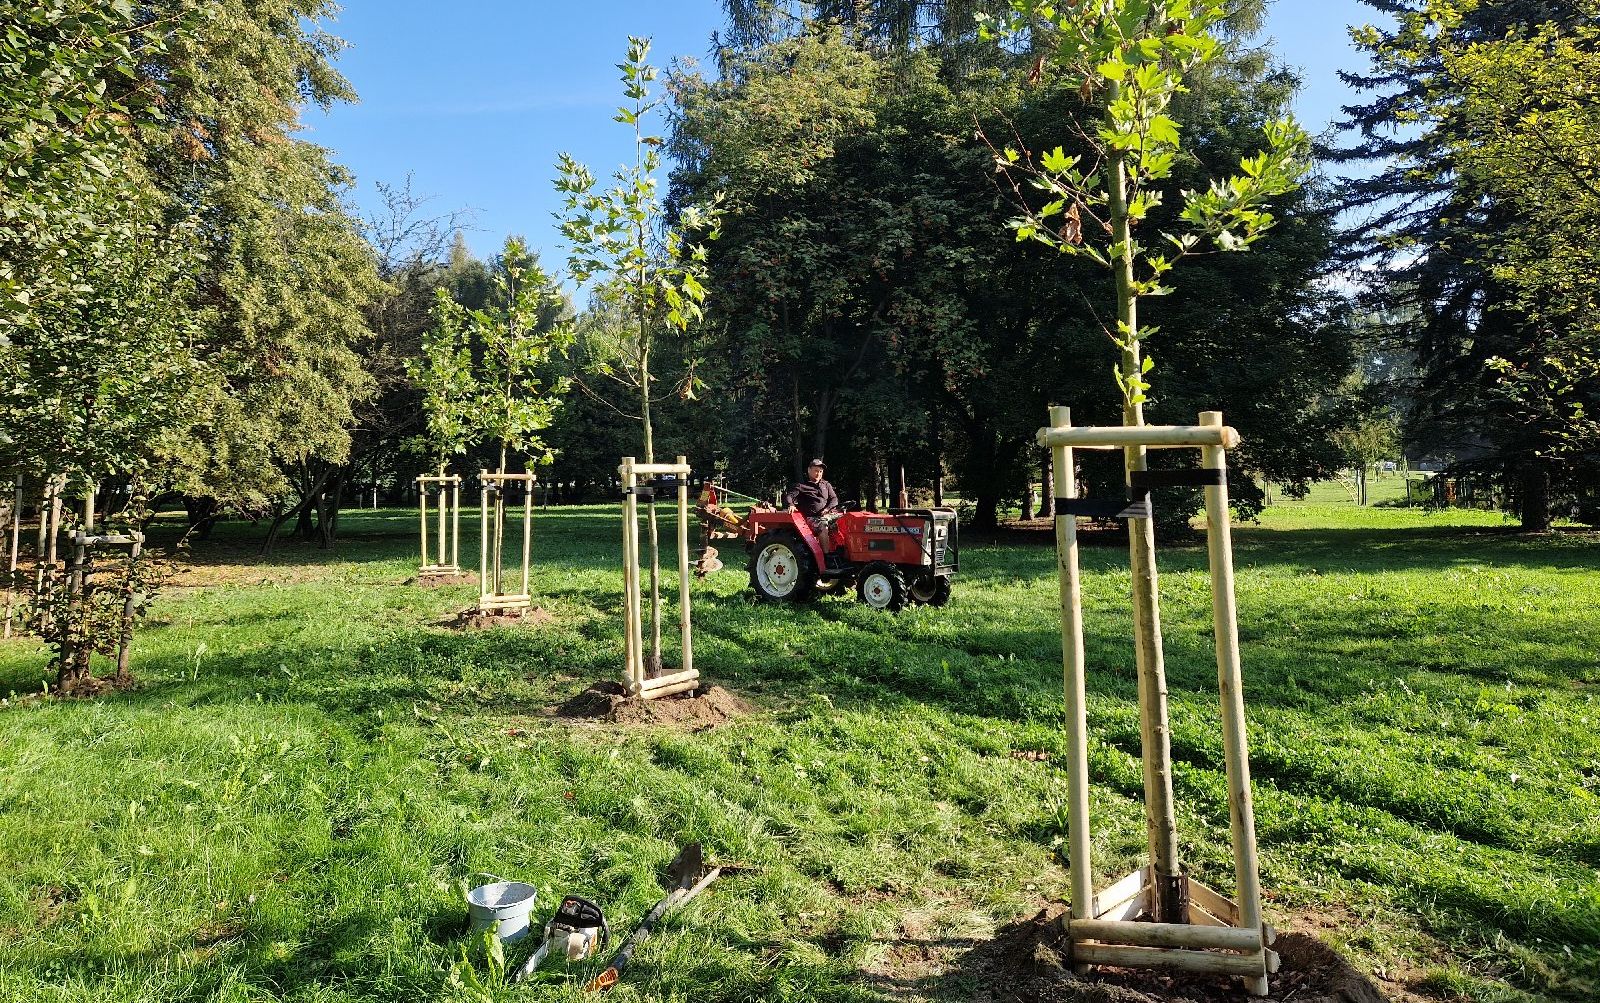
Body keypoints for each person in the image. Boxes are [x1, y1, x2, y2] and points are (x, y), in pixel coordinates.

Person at [785, 458, 840, 553]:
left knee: (846, 522)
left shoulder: (826, 485)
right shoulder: (801, 486)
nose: (818, 474)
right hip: (811, 518)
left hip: (828, 514)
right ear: (809, 470)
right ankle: (827, 557)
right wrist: (791, 504)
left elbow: (834, 499)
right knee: (822, 525)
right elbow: (789, 496)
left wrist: (827, 509)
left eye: (820, 471)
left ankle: (843, 552)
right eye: (816, 471)